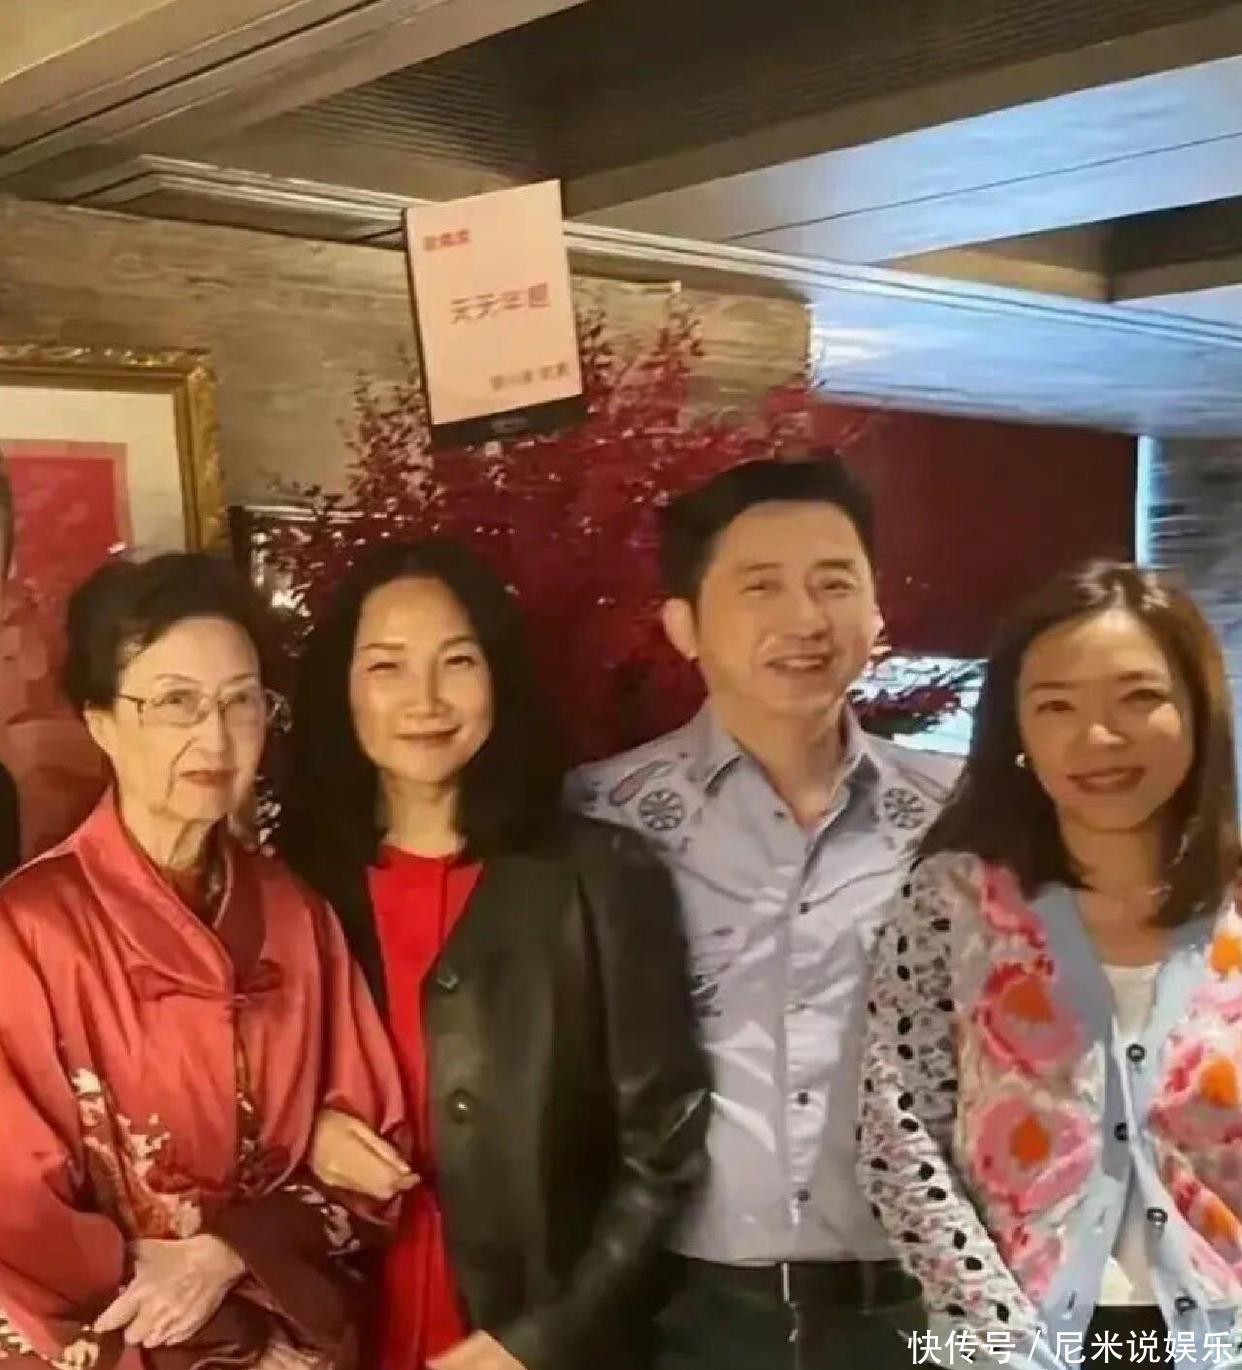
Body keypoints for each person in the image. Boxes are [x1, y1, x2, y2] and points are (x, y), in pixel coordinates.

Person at [278, 539, 710, 1370]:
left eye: (458, 661)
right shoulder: (295, 881)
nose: (425, 700)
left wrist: (543, 1338)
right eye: (386, 667)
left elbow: (663, 1151)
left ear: (500, 677)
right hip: (333, 1331)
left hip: (530, 1341)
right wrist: (304, 1132)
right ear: (342, 688)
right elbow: (229, 1104)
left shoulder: (600, 875)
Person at [568, 455, 961, 1370]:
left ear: (876, 613)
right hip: (687, 1315)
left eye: (835, 583)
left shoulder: (961, 815)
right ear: (683, 625)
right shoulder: (601, 816)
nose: (805, 618)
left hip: (918, 1310)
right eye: (761, 586)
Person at [0, 552, 406, 1370]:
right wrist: (211, 1326)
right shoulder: (29, 930)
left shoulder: (296, 914)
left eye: (240, 701)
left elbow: (372, 1167)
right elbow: (17, 1218)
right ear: (102, 721)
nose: (215, 737)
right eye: (175, 702)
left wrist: (232, 1251)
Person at [858, 561, 1242, 1369]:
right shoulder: (952, 902)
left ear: (1199, 711)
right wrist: (1000, 1345)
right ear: (1017, 732)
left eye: (1138, 697)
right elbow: (899, 1139)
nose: (1099, 738)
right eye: (1057, 706)